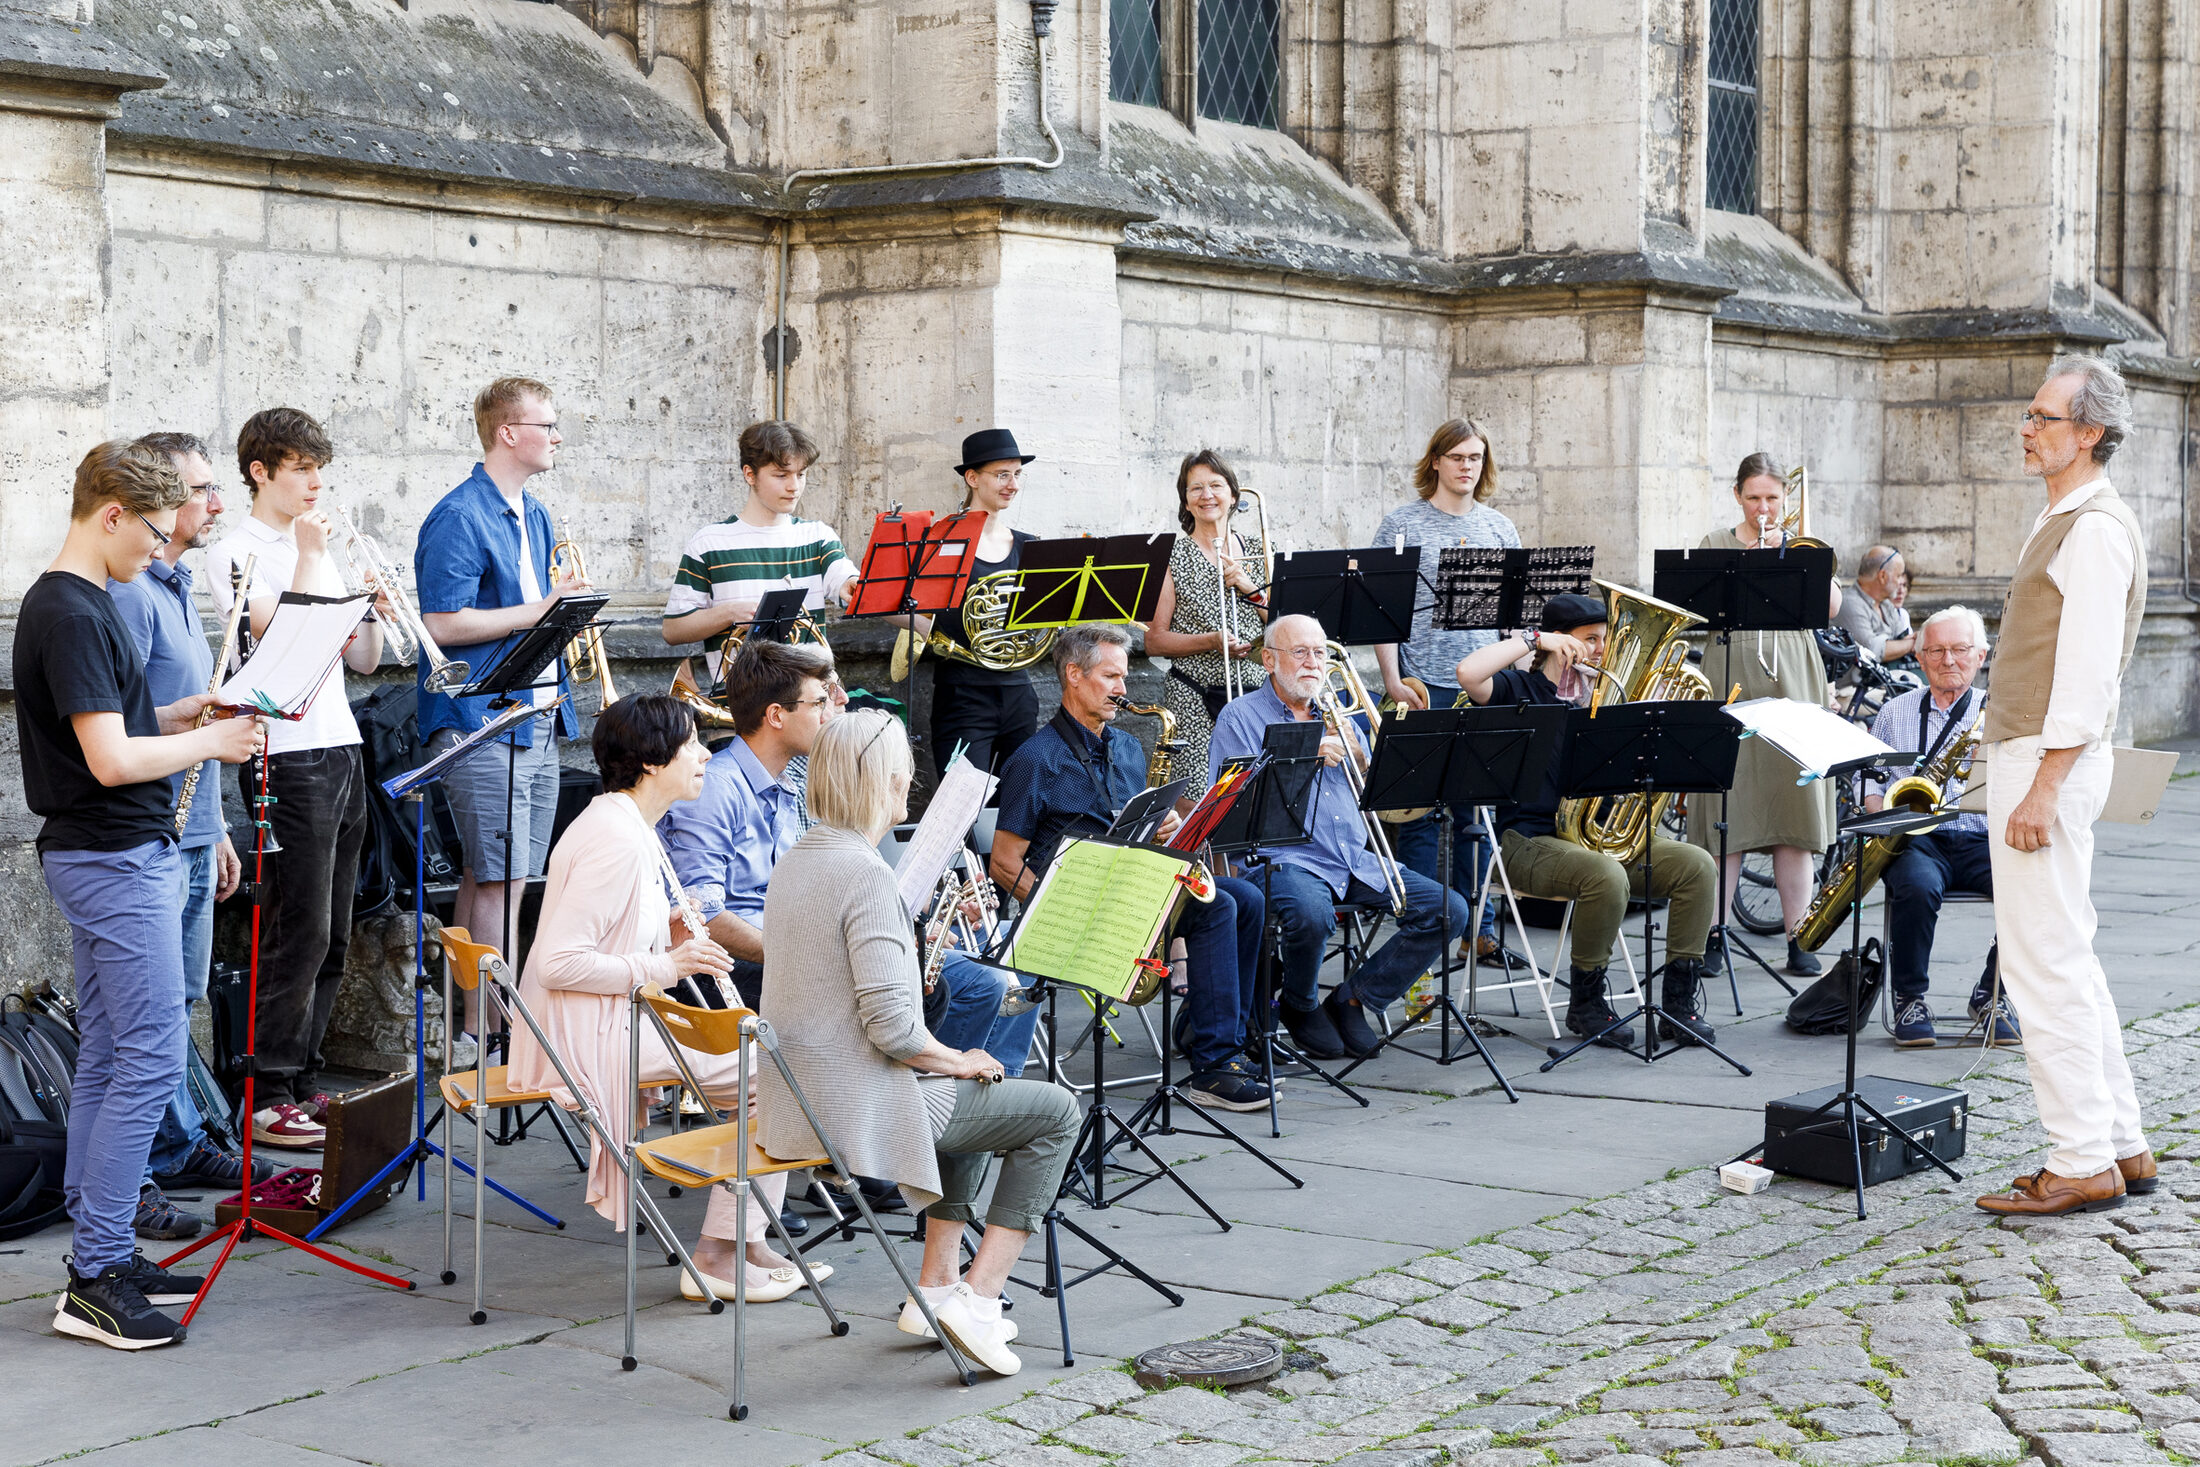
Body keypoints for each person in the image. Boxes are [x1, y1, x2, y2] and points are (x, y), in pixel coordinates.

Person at [17, 440, 262, 1349]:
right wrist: (209, 747)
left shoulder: (76, 601)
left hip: (113, 853)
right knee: (150, 1058)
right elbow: (111, 762)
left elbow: (119, 728)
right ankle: (94, 1274)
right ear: (110, 512)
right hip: (113, 857)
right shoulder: (73, 610)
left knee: (116, 1054)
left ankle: (103, 1247)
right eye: (156, 533)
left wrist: (183, 715)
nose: (162, 552)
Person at [757, 710, 1081, 1377]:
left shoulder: (801, 856)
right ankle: (979, 1297)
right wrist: (955, 1056)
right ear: (887, 779)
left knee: (977, 1086)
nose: (911, 777)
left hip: (802, 1094)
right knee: (1056, 1113)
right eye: (904, 767)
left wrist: (954, 1062)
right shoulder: (866, 872)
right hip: (860, 1100)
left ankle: (935, 1288)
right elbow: (892, 1029)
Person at [505, 695, 806, 1299]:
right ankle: (721, 1253)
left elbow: (603, 932)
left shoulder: (623, 823)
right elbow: (560, 961)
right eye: (691, 743)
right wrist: (666, 962)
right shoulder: (617, 838)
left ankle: (744, 1245)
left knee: (774, 1072)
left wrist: (665, 928)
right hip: (584, 1034)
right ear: (649, 761)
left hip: (601, 1020)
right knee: (779, 1080)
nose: (703, 754)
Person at [1976, 356, 2154, 1218]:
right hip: (2045, 758)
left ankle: (2079, 1158)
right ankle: (2120, 1141)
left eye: (2045, 416)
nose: (2027, 426)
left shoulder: (2092, 530)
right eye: (2030, 413)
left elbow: (2085, 682)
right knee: (2068, 956)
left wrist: (2040, 789)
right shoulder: (2067, 518)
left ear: (2090, 433)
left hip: (2047, 762)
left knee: (2039, 964)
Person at [991, 625, 1269, 1110]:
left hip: (1130, 891)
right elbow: (1003, 861)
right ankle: (1214, 1064)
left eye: (1124, 676)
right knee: (1219, 906)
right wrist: (1053, 915)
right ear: (1074, 675)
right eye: (1111, 676)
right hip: (1076, 907)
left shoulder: (1126, 748)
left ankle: (1224, 1036)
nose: (1123, 688)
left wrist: (1166, 829)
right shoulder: (1033, 760)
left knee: (1246, 897)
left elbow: (1132, 827)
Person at [205, 408, 386, 1149]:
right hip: (284, 751)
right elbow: (291, 647)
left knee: (337, 927)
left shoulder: (314, 548)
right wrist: (315, 563)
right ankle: (266, 1089)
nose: (316, 482)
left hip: (341, 743)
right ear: (261, 471)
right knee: (294, 926)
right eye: (301, 468)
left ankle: (303, 1077)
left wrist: (370, 601)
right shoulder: (235, 553)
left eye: (320, 468)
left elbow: (365, 660)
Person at [107, 433, 265, 1243]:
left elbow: (195, 711)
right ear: (161, 499)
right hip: (147, 835)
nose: (214, 504)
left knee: (184, 1003)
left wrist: (220, 828)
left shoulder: (174, 587)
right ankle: (129, 1183)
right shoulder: (129, 593)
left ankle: (173, 1142)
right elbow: (127, 726)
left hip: (196, 827)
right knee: (145, 1023)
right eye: (202, 489)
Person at [1456, 594, 1721, 1047]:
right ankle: (1587, 1003)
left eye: (1606, 639)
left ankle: (1678, 1003)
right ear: (1559, 641)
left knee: (1697, 865)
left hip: (1597, 842)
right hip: (1528, 842)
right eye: (1590, 639)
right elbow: (1467, 674)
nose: (1601, 649)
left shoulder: (1610, 700)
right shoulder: (1520, 691)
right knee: (1606, 875)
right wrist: (1535, 638)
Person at [415, 377, 588, 1062]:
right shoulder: (458, 515)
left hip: (536, 714)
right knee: (498, 877)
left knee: (505, 875)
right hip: (481, 716)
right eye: (547, 425)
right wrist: (540, 612)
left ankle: (476, 1029)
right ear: (508, 433)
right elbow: (442, 622)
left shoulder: (536, 513)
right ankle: (488, 1033)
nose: (556, 436)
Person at [1208, 615, 1472, 1061]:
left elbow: (1375, 792)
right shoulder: (1241, 716)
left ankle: (1354, 999)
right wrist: (1304, 756)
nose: (1314, 663)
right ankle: (1300, 1001)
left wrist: (1365, 759)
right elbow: (1235, 801)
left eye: (1320, 652)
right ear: (1269, 660)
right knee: (1312, 915)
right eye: (1301, 652)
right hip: (1284, 860)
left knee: (1448, 910)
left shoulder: (1337, 710)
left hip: (1353, 857)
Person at [1683, 452, 1843, 978]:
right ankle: (1710, 936)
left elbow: (1832, 606)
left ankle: (1801, 936)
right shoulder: (1716, 543)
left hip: (1793, 680)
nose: (1763, 508)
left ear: (1784, 500)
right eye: (1753, 498)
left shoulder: (1797, 546)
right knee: (1725, 812)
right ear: (1738, 496)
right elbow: (1695, 607)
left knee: (1791, 816)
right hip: (1730, 677)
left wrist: (1789, 556)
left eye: (1772, 498)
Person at [1372, 419, 1521, 971]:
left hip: (1483, 690)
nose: (1467, 466)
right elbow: (1381, 612)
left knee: (1476, 817)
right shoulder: (1401, 525)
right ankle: (1424, 927)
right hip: (1420, 688)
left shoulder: (1500, 529)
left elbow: (1514, 621)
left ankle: (1477, 931)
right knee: (1417, 816)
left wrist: (1515, 681)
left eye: (1476, 458)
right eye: (1457, 456)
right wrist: (1392, 680)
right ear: (1435, 460)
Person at [657, 640, 838, 1011]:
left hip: (764, 957)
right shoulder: (717, 788)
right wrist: (804, 955)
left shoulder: (785, 783)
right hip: (718, 971)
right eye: (819, 702)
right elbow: (701, 915)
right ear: (776, 715)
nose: (827, 715)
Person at [1865, 606, 2013, 1048]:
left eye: (1960, 650)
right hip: (1918, 839)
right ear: (1920, 657)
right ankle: (1910, 998)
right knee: (1914, 888)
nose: (1949, 660)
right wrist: (1876, 809)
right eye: (1937, 650)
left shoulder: (2003, 714)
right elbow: (1868, 775)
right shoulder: (1894, 712)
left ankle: (1995, 993)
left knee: (2033, 888)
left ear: (1981, 655)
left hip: (1982, 836)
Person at [660, 420, 856, 690]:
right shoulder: (709, 543)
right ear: (749, 474)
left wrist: (851, 586)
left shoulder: (819, 537)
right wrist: (730, 612)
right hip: (740, 703)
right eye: (781, 475)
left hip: (809, 704)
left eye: (801, 474)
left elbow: (844, 576)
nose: (794, 487)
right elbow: (672, 630)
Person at [908, 428, 1043, 778]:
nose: (1012, 484)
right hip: (963, 695)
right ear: (972, 478)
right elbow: (889, 603)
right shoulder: (941, 542)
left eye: (1017, 475)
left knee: (1021, 808)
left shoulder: (1029, 546)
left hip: (1019, 695)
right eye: (1002, 475)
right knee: (961, 812)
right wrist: (935, 631)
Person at [1140, 449, 1268, 785]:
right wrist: (1211, 642)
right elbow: (1155, 641)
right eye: (1196, 488)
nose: (1207, 495)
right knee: (1195, 793)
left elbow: (1283, 624)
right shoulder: (1171, 555)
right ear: (1185, 502)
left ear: (1234, 495)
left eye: (1216, 485)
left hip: (1257, 695)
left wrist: (1249, 587)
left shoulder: (1261, 547)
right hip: (1194, 696)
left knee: (1255, 790)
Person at [1837, 545, 1919, 669]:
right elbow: (1871, 651)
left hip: (1890, 679)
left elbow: (1901, 637)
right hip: (1855, 686)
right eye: (1898, 576)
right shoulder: (1849, 604)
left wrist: (1905, 643)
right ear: (1882, 576)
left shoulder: (1885, 604)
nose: (1899, 583)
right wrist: (1914, 642)